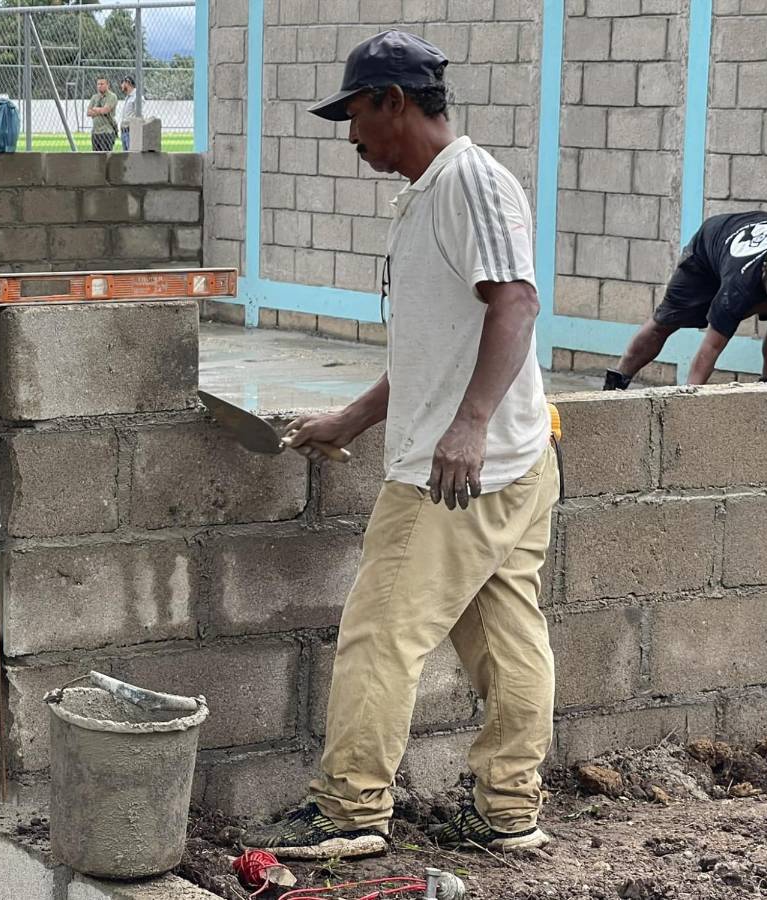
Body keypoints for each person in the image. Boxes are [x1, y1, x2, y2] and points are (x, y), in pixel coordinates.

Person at [238, 30, 560, 859]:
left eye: (356, 114)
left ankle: (348, 813)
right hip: (505, 464)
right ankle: (506, 809)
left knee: (380, 635)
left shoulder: (468, 183)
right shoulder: (434, 191)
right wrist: (352, 418)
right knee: (506, 637)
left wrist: (470, 424)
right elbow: (438, 350)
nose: (351, 137)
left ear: (395, 101)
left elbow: (515, 306)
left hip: (455, 476)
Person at [605, 212, 767, 388]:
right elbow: (711, 349)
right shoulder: (737, 287)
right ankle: (616, 384)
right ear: (764, 270)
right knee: (665, 321)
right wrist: (690, 402)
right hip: (708, 248)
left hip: (761, 229)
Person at [86, 77, 118, 152]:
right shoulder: (94, 97)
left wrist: (95, 109)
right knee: (96, 157)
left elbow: (105, 110)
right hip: (95, 132)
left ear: (107, 85)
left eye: (102, 84)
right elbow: (88, 112)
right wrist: (100, 110)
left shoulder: (112, 96)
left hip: (106, 132)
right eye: (98, 84)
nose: (100, 86)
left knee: (105, 157)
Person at [119, 76, 138, 150]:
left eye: (122, 83)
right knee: (126, 156)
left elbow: (138, 115)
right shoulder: (128, 97)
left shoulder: (137, 97)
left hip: (131, 131)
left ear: (128, 82)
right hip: (124, 131)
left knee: (131, 155)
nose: (121, 86)